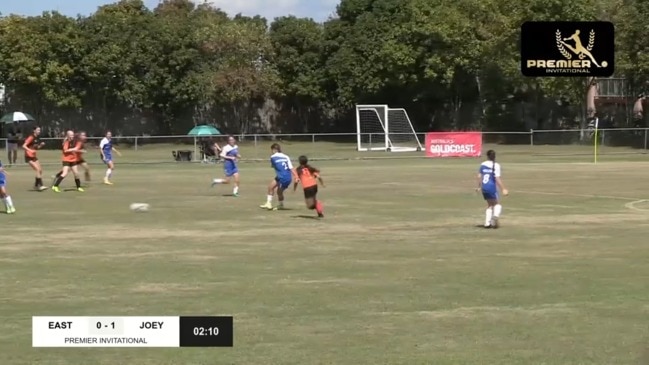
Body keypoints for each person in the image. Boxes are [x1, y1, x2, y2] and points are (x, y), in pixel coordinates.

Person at [477, 149, 508, 228]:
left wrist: (479, 187)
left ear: (487, 156)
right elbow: (497, 178)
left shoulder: (483, 164)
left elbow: (479, 176)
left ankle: (487, 223)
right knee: (497, 204)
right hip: (491, 187)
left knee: (490, 205)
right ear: (494, 156)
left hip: (484, 187)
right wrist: (503, 188)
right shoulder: (496, 165)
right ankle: (495, 217)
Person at [260, 143, 296, 210]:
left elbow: (273, 166)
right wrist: (296, 176)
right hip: (287, 176)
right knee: (271, 187)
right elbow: (291, 167)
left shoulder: (273, 157)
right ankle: (270, 203)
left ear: (274, 150)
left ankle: (277, 204)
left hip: (282, 176)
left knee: (278, 191)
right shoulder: (286, 156)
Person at [22, 126, 47, 191]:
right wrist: (30, 151)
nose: (39, 131)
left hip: (33, 156)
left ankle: (36, 186)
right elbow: (24, 146)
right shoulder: (31, 137)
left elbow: (36, 148)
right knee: (37, 170)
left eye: (39, 130)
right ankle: (40, 185)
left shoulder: (37, 138)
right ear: (34, 131)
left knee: (40, 170)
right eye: (38, 130)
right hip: (28, 157)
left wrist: (41, 145)